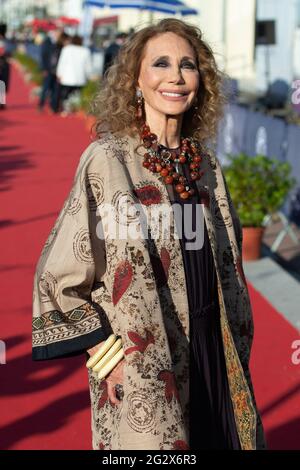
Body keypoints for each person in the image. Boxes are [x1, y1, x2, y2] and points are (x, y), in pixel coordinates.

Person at [32, 18, 266, 450]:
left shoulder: (206, 165)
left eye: (188, 65)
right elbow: (58, 276)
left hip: (214, 351)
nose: (176, 76)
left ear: (203, 81)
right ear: (136, 80)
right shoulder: (108, 160)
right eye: (161, 63)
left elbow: (228, 268)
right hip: (147, 359)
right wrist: (107, 358)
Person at [56, 34, 92, 111]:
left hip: (67, 77)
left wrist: (59, 74)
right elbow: (88, 66)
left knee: (65, 95)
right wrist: (89, 76)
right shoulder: (85, 51)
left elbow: (62, 62)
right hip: (80, 78)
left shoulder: (66, 49)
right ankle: (75, 109)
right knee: (77, 95)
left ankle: (65, 109)